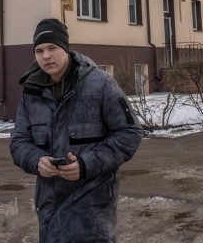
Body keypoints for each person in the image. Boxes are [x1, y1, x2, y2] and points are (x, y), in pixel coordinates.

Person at [10, 17, 143, 243]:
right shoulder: (31, 91)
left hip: (93, 202)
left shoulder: (100, 84)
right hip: (50, 201)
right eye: (39, 50)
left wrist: (85, 164)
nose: (46, 56)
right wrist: (37, 160)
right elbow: (19, 142)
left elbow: (129, 133)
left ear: (66, 48)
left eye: (52, 48)